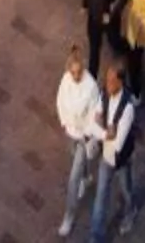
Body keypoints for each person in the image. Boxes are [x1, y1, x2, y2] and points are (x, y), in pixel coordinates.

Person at [53, 51, 104, 241]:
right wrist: (65, 123)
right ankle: (87, 177)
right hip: (71, 132)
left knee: (72, 178)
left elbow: (95, 112)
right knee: (73, 157)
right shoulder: (66, 81)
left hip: (83, 135)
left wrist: (87, 133)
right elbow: (60, 102)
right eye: (72, 72)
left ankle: (69, 215)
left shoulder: (90, 86)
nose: (75, 76)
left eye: (78, 72)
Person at [87, 59, 138, 239]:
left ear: (120, 82)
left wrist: (104, 131)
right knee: (101, 197)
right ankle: (96, 236)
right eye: (107, 79)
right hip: (106, 157)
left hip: (121, 159)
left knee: (126, 190)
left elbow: (118, 144)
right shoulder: (105, 94)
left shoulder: (128, 107)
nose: (107, 83)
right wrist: (106, 133)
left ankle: (131, 211)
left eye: (111, 80)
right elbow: (92, 125)